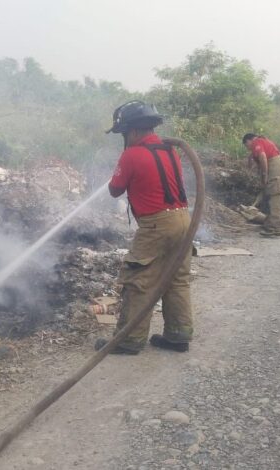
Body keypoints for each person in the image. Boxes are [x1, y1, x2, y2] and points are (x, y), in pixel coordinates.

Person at [95, 100, 193, 355]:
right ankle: (178, 335)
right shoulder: (170, 150)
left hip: (157, 224)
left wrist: (121, 171)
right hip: (184, 219)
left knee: (139, 281)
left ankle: (129, 340)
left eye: (125, 133)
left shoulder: (131, 154)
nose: (125, 138)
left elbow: (115, 190)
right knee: (176, 279)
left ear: (134, 130)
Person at [242, 133, 280, 237]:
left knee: (275, 196)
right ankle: (271, 223)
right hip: (279, 165)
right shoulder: (262, 141)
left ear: (248, 141)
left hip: (275, 167)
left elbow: (263, 157)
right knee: (271, 195)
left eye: (246, 145)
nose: (248, 148)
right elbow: (260, 156)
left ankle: (275, 228)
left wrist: (264, 175)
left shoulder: (256, 142)